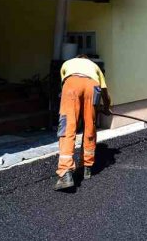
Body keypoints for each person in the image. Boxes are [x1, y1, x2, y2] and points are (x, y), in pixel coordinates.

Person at [54, 54, 111, 191]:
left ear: (78, 58)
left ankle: (65, 172)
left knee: (68, 126)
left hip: (71, 84)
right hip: (93, 86)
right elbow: (104, 91)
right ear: (87, 60)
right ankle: (87, 168)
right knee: (90, 125)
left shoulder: (67, 63)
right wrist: (107, 108)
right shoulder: (94, 66)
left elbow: (65, 84)